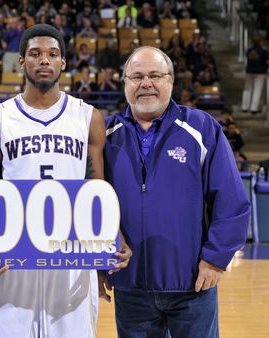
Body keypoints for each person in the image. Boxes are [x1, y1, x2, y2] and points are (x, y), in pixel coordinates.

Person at [0, 24, 131, 338]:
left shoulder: (88, 117)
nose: (44, 60)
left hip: (73, 253)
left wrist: (113, 235)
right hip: (14, 257)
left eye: (52, 54)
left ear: (63, 63)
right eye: (35, 54)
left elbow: (96, 184)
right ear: (21, 62)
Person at [103, 46, 251, 338]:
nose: (146, 83)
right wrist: (97, 264)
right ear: (125, 85)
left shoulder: (201, 128)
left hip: (192, 284)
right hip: (131, 286)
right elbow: (91, 202)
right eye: (136, 77)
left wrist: (215, 259)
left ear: (170, 81)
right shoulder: (106, 135)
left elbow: (232, 201)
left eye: (155, 75)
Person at [241, 33, 269, 114]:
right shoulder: (263, 51)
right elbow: (267, 61)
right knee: (257, 90)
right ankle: (254, 108)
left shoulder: (249, 50)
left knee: (247, 89)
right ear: (261, 41)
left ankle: (244, 107)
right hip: (260, 72)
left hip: (249, 71)